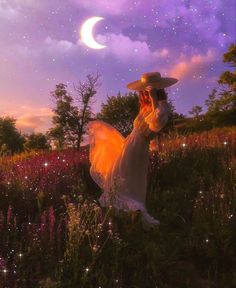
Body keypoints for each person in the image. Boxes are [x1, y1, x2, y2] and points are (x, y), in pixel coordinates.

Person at [87, 72, 178, 230]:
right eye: (145, 90)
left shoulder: (161, 105)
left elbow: (156, 123)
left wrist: (154, 97)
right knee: (118, 175)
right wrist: (151, 99)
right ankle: (121, 216)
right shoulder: (145, 107)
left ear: (158, 89)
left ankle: (133, 214)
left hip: (139, 146)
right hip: (131, 144)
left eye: (150, 89)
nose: (146, 92)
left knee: (129, 179)